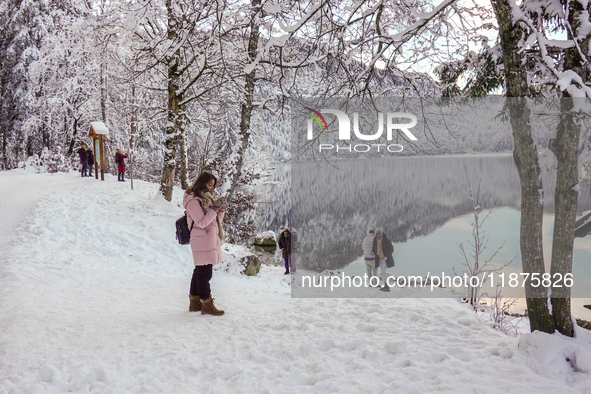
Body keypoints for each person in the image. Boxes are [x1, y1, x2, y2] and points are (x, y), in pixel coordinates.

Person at [183, 171, 228, 316]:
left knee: (199, 272)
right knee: (204, 274)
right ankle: (207, 304)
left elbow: (216, 221)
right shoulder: (193, 201)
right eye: (209, 184)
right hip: (201, 240)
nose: (211, 188)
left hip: (208, 240)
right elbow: (202, 223)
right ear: (202, 183)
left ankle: (195, 302)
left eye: (213, 185)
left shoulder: (206, 199)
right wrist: (215, 209)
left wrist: (220, 208)